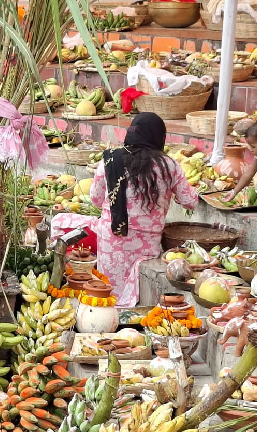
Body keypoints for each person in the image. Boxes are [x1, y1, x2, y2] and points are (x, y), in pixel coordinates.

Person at [52, 113, 197, 307]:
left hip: (113, 240)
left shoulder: (111, 161)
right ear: (159, 137)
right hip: (148, 245)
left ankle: (103, 306)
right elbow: (190, 202)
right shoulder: (169, 166)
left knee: (59, 221)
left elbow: (95, 199)